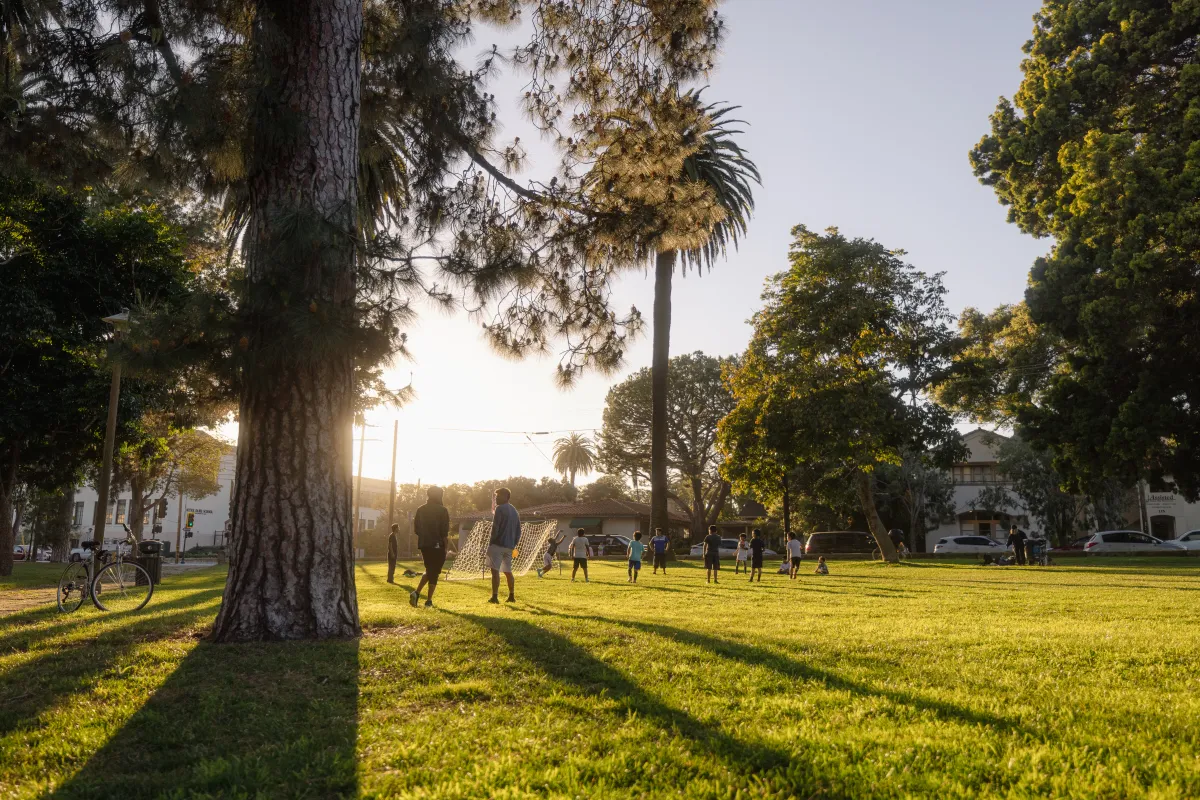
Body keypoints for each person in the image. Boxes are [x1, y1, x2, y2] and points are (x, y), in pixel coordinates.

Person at [410, 486, 452, 608]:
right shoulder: (442, 510)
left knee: (430, 570)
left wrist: (425, 537)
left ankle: (416, 593)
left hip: (424, 544)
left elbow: (416, 529)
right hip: (438, 544)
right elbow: (444, 531)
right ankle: (428, 601)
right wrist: (445, 546)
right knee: (435, 572)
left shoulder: (420, 509)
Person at [488, 487, 521, 603]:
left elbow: (495, 528)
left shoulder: (500, 509)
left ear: (506, 496)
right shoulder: (515, 511)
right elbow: (518, 531)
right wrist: (513, 544)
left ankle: (495, 597)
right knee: (508, 571)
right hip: (509, 547)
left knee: (495, 571)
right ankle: (511, 596)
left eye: (498, 496)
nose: (496, 499)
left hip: (497, 545)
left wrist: (491, 542)